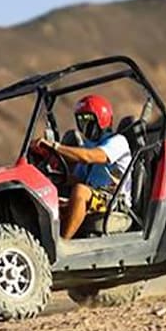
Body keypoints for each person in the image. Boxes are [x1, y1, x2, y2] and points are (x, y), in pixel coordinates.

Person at [35, 94, 131, 239]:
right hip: (94, 197)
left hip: (114, 201)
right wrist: (51, 177)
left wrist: (55, 146)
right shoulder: (87, 146)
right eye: (80, 120)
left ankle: (63, 243)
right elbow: (78, 179)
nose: (84, 126)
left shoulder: (117, 142)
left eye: (88, 120)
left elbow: (89, 157)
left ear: (101, 120)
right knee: (50, 199)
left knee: (80, 192)